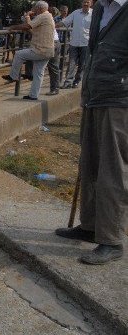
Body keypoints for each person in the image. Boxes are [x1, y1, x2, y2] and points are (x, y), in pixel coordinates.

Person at [55, 0, 127, 265]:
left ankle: (111, 239)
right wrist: (85, 92)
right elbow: (95, 52)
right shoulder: (99, 9)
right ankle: (90, 225)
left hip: (121, 101)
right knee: (90, 164)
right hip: (95, 96)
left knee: (113, 170)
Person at [2, 1, 54, 100]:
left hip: (40, 50)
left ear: (39, 8)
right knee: (38, 73)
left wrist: (12, 27)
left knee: (19, 54)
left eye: (35, 7)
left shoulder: (42, 16)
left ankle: (13, 76)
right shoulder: (48, 16)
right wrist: (27, 17)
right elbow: (31, 29)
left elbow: (27, 26)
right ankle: (33, 95)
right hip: (47, 50)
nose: (33, 9)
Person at [58, 0, 92, 89]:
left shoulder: (94, 14)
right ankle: (68, 82)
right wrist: (52, 26)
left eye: (87, 2)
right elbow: (64, 22)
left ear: (90, 3)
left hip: (86, 43)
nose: (85, 4)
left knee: (82, 64)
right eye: (84, 2)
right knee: (71, 63)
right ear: (82, 3)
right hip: (74, 42)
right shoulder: (76, 13)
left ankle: (77, 81)